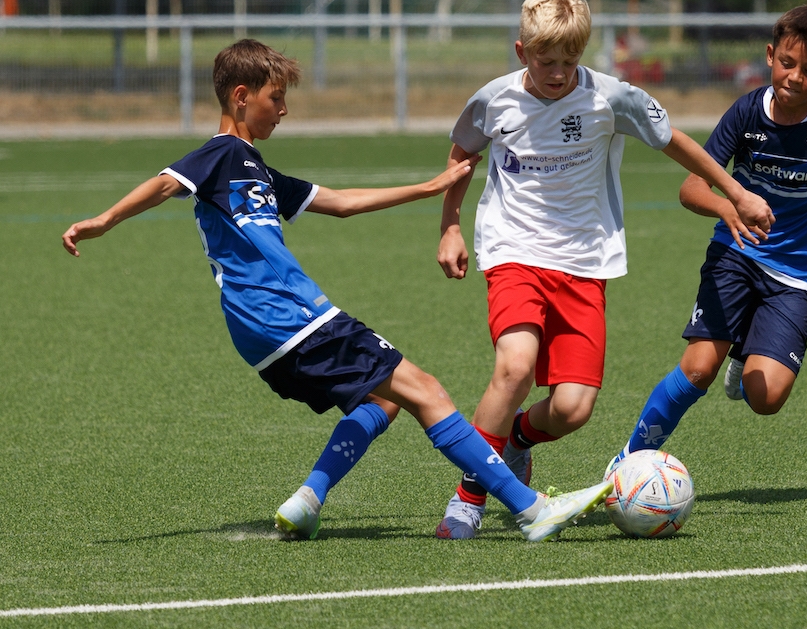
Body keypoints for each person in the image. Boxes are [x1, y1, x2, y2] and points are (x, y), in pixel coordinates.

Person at [61, 38, 612, 543]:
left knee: (383, 400)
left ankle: (307, 500)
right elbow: (165, 183)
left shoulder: (257, 171)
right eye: (276, 98)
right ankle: (531, 508)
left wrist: (430, 188)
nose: (283, 109)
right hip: (289, 312)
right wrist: (104, 220)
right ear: (241, 96)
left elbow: (342, 203)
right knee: (426, 391)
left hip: (259, 332)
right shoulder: (222, 154)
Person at [433, 0, 775, 539]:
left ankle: (514, 440)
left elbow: (677, 143)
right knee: (515, 366)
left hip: (584, 263)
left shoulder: (610, 97)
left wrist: (735, 193)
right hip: (513, 251)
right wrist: (450, 226)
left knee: (572, 409)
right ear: (522, 52)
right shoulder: (493, 100)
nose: (558, 72)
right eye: (546, 61)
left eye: (569, 61)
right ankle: (467, 499)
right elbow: (461, 157)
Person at [608, 5, 807, 469]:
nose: (795, 77)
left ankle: (745, 350)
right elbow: (691, 189)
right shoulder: (747, 112)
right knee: (698, 369)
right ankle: (628, 460)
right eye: (787, 63)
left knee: (766, 397)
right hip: (736, 253)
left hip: (798, 275)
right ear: (770, 56)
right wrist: (728, 207)